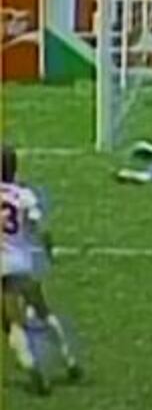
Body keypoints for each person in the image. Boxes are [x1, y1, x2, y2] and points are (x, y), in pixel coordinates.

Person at [2, 145, 82, 395]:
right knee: (43, 311)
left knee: (13, 324)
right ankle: (69, 359)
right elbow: (41, 229)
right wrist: (49, 251)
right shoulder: (24, 195)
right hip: (22, 263)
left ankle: (31, 366)